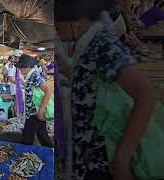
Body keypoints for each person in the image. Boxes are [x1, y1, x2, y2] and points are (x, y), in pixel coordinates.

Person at [56, 0, 159, 179]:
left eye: (57, 23)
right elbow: (88, 83)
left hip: (102, 162)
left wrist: (121, 159)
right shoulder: (87, 45)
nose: (55, 30)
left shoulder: (102, 44)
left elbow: (147, 94)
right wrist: (66, 68)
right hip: (87, 158)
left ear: (75, 21)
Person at [14, 55, 53, 147]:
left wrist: (41, 111)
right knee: (42, 136)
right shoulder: (30, 76)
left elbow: (48, 90)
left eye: (20, 67)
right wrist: (22, 82)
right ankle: (51, 152)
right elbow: (31, 87)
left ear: (27, 67)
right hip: (32, 113)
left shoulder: (34, 76)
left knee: (28, 137)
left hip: (34, 113)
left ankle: (25, 151)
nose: (19, 69)